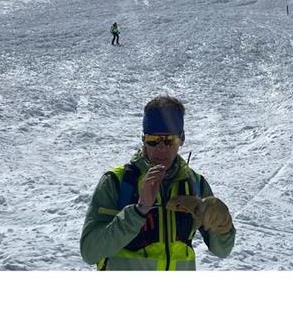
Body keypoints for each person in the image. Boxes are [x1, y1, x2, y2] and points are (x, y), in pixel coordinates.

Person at [80, 96, 236, 270]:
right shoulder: (117, 182)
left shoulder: (195, 184)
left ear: (181, 140)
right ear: (143, 140)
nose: (162, 148)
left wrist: (223, 225)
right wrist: (139, 211)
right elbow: (89, 251)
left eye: (170, 140)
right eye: (153, 140)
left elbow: (223, 251)